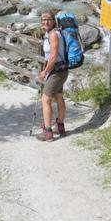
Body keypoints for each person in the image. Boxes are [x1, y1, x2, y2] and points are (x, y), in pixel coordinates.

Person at [37, 9, 69, 141]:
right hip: (59, 70)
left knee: (46, 100)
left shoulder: (53, 35)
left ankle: (48, 132)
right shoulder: (49, 34)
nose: (45, 22)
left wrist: (45, 72)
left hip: (56, 72)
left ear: (53, 21)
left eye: (48, 19)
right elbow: (49, 55)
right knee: (59, 97)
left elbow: (54, 56)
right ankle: (60, 127)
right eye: (43, 20)